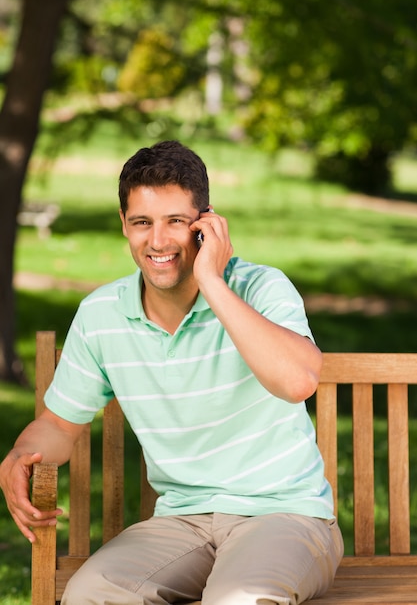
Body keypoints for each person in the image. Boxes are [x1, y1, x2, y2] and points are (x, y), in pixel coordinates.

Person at [0, 140, 343, 605]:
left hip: (285, 516)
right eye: (142, 222)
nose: (157, 241)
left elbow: (298, 381)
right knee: (91, 594)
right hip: (182, 522)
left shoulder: (261, 287)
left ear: (207, 223)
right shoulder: (102, 313)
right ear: (124, 224)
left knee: (235, 599)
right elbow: (60, 425)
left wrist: (213, 283)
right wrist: (21, 454)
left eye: (176, 222)